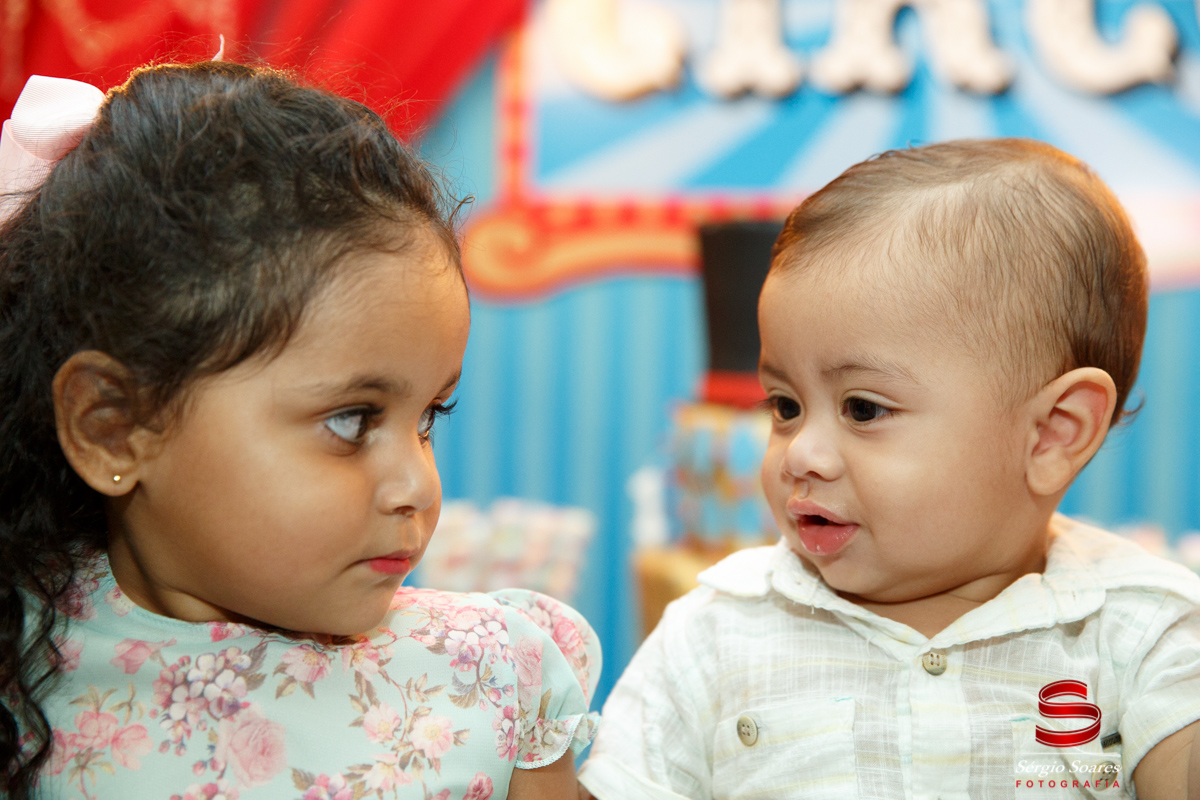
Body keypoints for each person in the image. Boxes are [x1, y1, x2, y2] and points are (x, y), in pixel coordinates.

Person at [0, 62, 599, 800]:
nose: (419, 486)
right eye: (352, 420)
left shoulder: (492, 679)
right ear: (114, 428)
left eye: (429, 418)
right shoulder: (20, 676)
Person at [579, 139, 1200, 799]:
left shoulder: (1140, 631)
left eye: (863, 409)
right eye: (785, 406)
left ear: (1051, 434)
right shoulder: (714, 634)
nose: (801, 453)